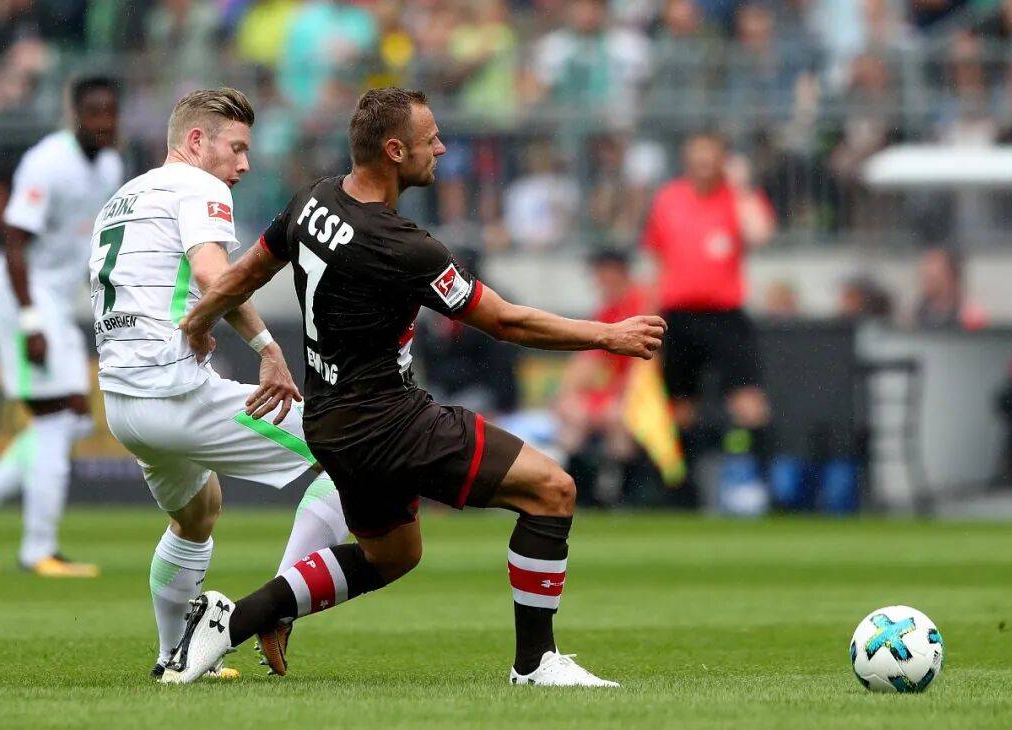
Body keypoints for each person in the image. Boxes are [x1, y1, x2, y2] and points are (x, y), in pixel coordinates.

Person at [164, 87, 665, 687]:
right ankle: (536, 664)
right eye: (431, 141)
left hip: (333, 423)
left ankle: (235, 619)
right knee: (551, 490)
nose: (442, 149)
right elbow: (506, 321)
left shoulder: (311, 202)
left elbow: (242, 276)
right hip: (389, 420)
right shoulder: (403, 246)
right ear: (395, 150)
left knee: (393, 556)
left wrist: (196, 322)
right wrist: (607, 335)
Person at [89, 88, 348, 680]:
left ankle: (172, 658)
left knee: (198, 512)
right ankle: (276, 608)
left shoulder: (122, 198)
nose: (245, 164)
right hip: (172, 391)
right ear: (197, 142)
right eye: (236, 148)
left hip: (124, 405)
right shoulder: (199, 187)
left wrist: (193, 325)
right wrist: (268, 349)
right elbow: (214, 275)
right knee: (354, 447)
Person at [0, 77, 123, 577]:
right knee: (58, 420)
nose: (103, 122)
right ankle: (38, 549)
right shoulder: (48, 161)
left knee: (71, 418)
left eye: (110, 113)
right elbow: (14, 243)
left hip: (54, 302)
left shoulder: (110, 166)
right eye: (94, 113)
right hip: (19, 298)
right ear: (74, 114)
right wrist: (31, 320)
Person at [643, 131, 776, 507]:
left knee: (748, 402)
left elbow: (760, 233)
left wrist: (743, 186)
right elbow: (657, 259)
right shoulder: (669, 199)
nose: (702, 167)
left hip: (724, 316)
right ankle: (683, 493)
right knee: (681, 408)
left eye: (709, 159)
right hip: (679, 317)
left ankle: (763, 488)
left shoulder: (736, 198)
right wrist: (651, 316)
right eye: (696, 159)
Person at [555, 250, 648, 505]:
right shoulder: (607, 310)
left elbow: (645, 368)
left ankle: (621, 495)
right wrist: (566, 394)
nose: (598, 279)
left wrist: (620, 395)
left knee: (617, 416)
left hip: (644, 393)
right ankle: (577, 493)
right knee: (574, 414)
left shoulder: (642, 304)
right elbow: (588, 361)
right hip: (613, 390)